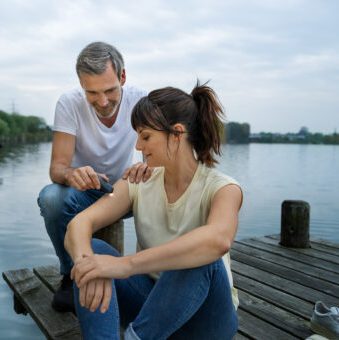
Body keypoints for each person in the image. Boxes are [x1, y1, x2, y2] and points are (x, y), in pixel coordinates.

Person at [66, 82, 243, 339]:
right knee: (92, 253)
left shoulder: (223, 188)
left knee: (203, 257)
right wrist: (91, 266)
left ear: (177, 134)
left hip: (207, 323)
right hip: (151, 308)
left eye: (146, 136)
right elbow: (79, 224)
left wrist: (123, 265)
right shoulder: (138, 180)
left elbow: (218, 241)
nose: (138, 146)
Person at [37, 42, 150, 313]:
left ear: (123, 77)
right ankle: (70, 274)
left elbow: (155, 161)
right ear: (80, 84)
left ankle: (152, 274)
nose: (102, 102)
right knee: (51, 197)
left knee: (164, 193)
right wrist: (73, 173)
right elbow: (57, 169)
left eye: (110, 90)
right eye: (92, 92)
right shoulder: (69, 103)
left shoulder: (141, 101)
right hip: (86, 193)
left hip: (125, 192)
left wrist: (145, 171)